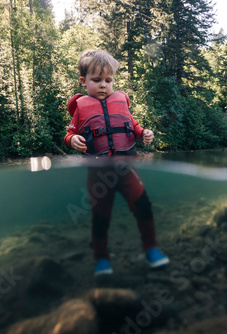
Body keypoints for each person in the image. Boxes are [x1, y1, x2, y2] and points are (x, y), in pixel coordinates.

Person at [64, 49, 169, 275]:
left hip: (126, 169)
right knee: (101, 217)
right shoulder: (81, 109)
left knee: (143, 206)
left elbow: (135, 126)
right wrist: (73, 140)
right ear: (84, 82)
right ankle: (102, 258)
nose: (103, 85)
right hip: (98, 173)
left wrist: (145, 134)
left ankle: (151, 248)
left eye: (108, 80)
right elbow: (69, 134)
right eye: (97, 80)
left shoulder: (120, 102)